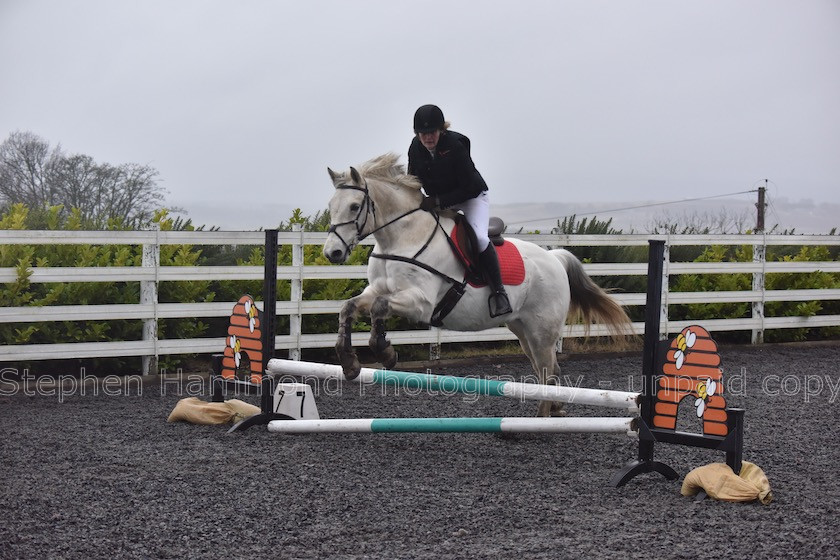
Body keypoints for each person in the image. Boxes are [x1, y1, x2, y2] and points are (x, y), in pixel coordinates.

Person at [407, 104, 512, 318]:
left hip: (472, 198)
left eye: (432, 132)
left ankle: (499, 293)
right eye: (423, 133)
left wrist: (438, 200)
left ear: (441, 130)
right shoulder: (415, 148)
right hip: (441, 201)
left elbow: (469, 187)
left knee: (481, 239)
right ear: (417, 134)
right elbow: (412, 179)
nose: (428, 137)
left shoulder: (455, 145)